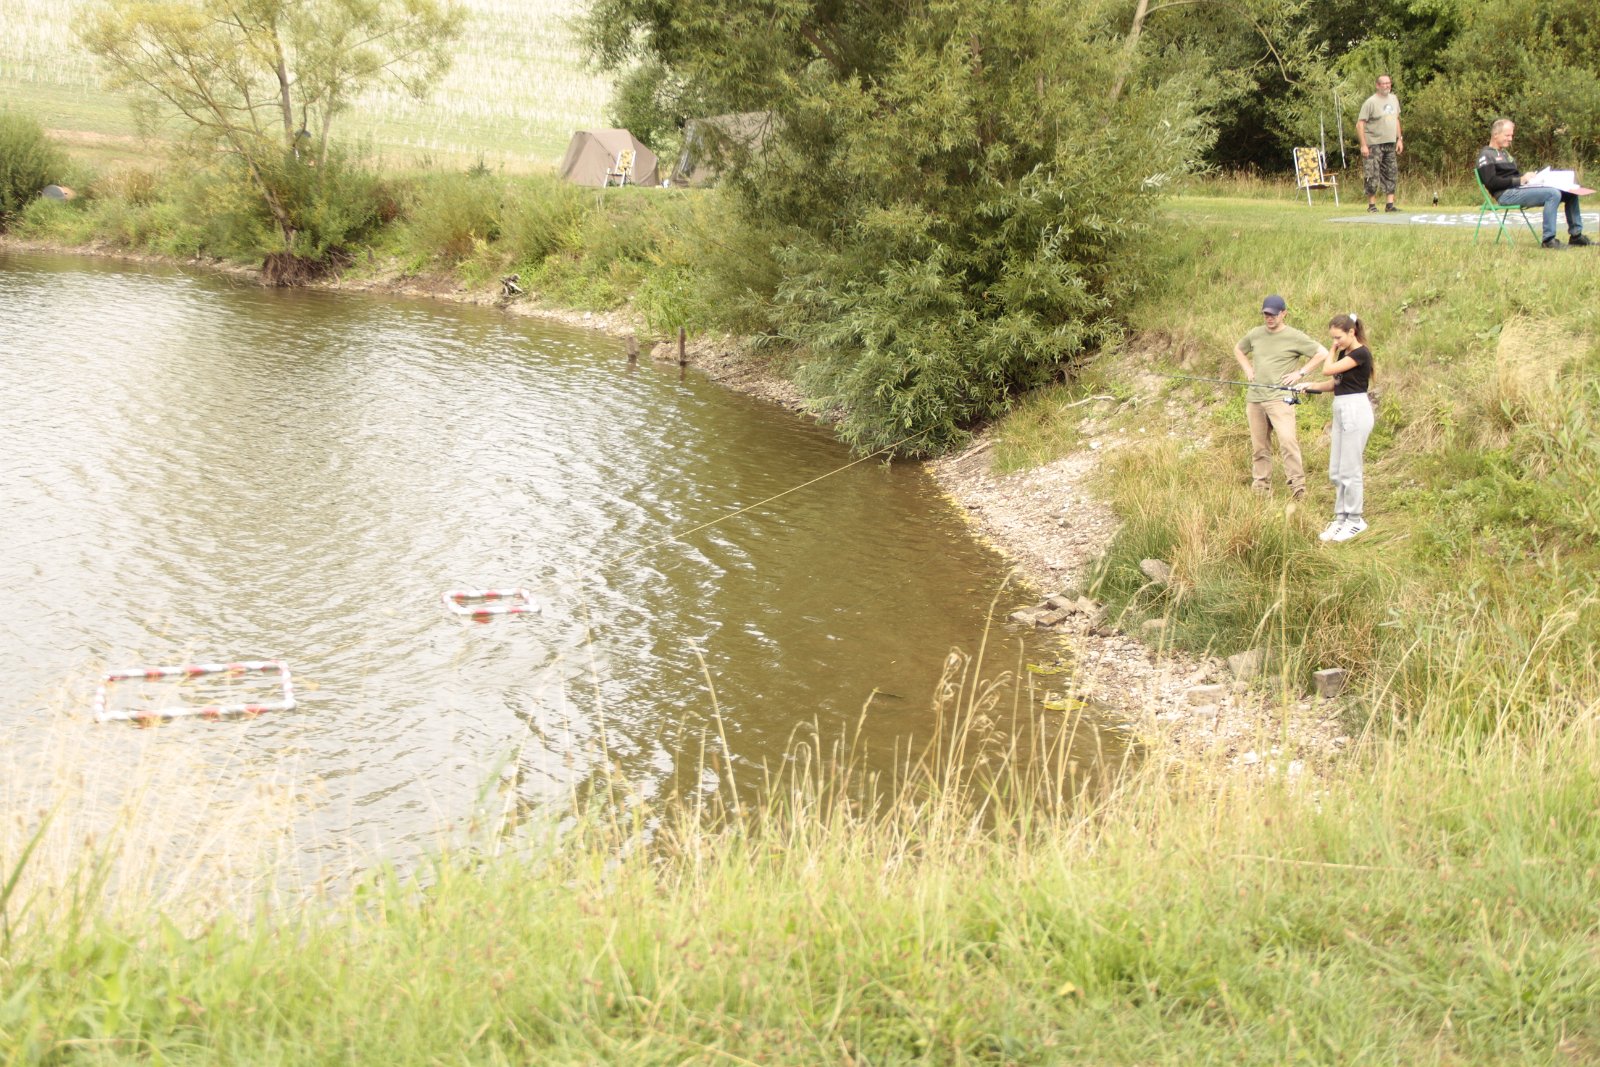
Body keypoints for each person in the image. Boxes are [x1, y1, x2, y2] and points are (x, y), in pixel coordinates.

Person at [1287, 314, 1375, 542]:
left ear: (1351, 332)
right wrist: (1310, 385)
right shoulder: (1346, 354)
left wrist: (1332, 350)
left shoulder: (1360, 353)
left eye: (1338, 338)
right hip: (1341, 408)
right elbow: (1335, 384)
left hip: (1356, 410)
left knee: (1350, 468)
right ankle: (1341, 518)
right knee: (1336, 469)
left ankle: (1355, 520)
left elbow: (1328, 369)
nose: (1335, 342)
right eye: (1333, 339)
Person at [1233, 294, 1328, 500]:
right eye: (1266, 314)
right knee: (1259, 447)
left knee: (1287, 443)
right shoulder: (1256, 334)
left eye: (1273, 315)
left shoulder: (1294, 336)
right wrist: (1248, 368)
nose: (1269, 318)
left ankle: (1298, 488)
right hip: (1255, 398)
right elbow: (1238, 349)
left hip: (1280, 398)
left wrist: (1300, 373)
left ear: (1284, 313)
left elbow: (1322, 353)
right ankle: (1261, 488)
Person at [1477, 118, 1592, 250]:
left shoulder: (1505, 154)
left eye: (1511, 135)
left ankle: (1576, 236)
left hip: (1519, 188)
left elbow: (1514, 175)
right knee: (1552, 194)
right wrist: (1519, 180)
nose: (1510, 139)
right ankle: (1548, 240)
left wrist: (1530, 179)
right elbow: (1491, 182)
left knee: (1570, 191)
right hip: (1505, 194)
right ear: (1495, 134)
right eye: (1507, 135)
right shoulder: (1486, 155)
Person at [1358, 75, 1403, 213]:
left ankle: (1390, 205)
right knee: (1372, 173)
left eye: (1389, 83)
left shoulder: (1394, 99)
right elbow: (1360, 124)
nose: (1387, 86)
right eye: (1384, 83)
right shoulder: (1370, 102)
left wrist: (1399, 139)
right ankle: (1372, 205)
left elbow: (1396, 119)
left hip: (1390, 142)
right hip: (1373, 143)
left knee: (1391, 172)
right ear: (1377, 85)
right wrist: (1363, 145)